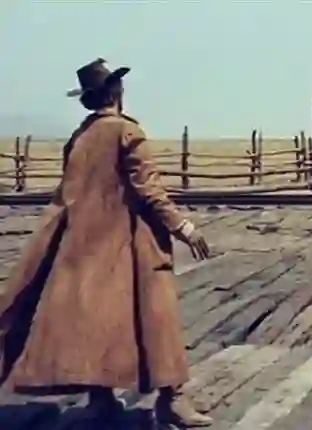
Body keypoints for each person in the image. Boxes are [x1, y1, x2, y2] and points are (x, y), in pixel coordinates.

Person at [0, 58, 213, 428]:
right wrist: (184, 227)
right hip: (133, 246)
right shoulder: (127, 131)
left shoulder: (80, 136)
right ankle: (172, 399)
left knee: (95, 321)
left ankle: (101, 400)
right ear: (116, 92)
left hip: (84, 247)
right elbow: (148, 189)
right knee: (157, 318)